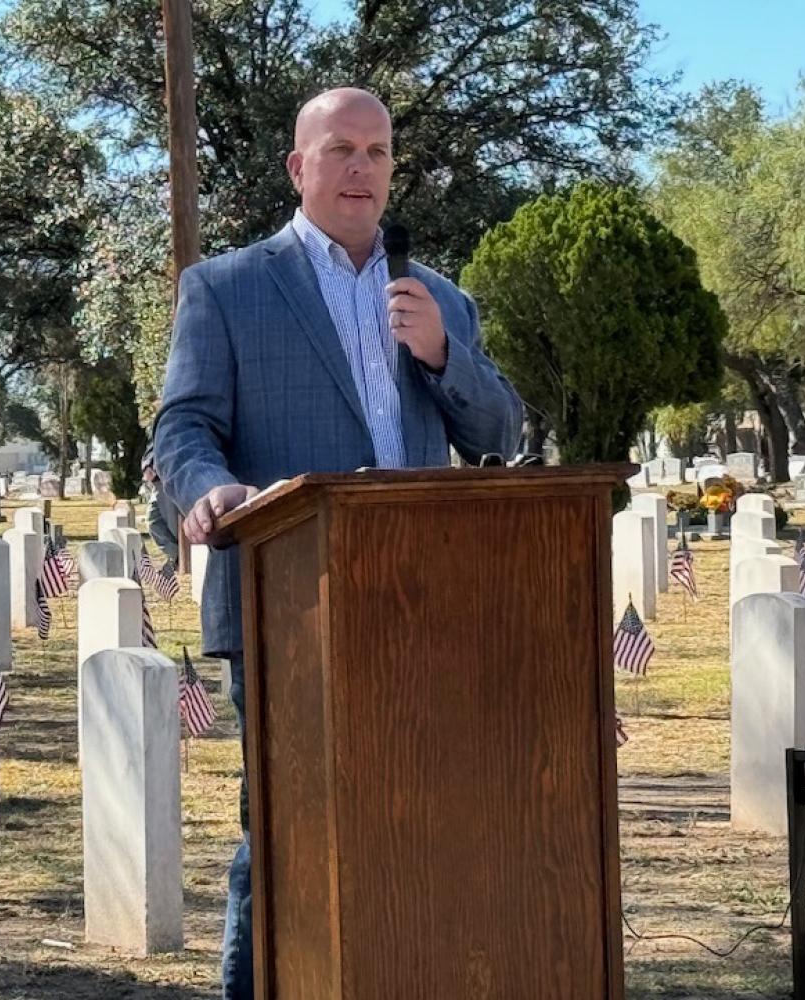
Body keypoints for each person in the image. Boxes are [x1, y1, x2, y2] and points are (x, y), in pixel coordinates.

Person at [152, 87, 524, 999]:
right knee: (284, 841)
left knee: (416, 836)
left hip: (425, 612)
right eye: (342, 150)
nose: (362, 168)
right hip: (292, 610)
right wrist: (212, 494)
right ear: (299, 166)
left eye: (379, 152)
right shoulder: (228, 289)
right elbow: (182, 433)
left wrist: (447, 356)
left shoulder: (439, 298)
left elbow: (500, 436)